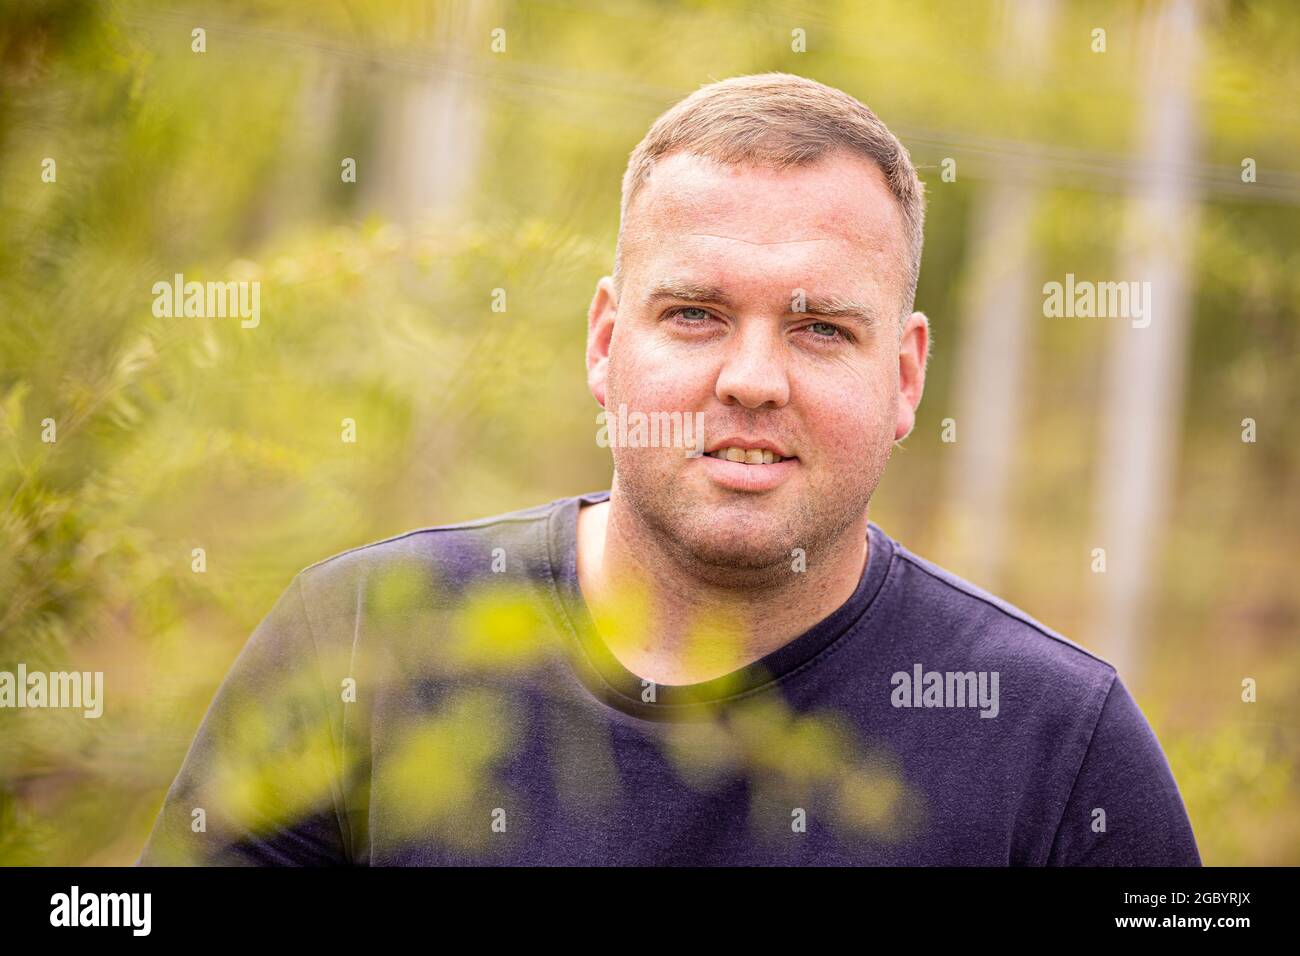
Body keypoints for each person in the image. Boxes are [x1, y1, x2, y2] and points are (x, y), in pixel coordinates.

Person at [138, 72, 1200, 866]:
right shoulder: (370, 633)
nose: (750, 378)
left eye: (821, 327)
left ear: (907, 375)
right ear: (604, 343)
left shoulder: (1060, 749)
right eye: (693, 314)